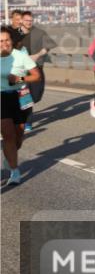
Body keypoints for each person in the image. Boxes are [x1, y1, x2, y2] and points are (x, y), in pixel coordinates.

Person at [1, 26, 42, 185]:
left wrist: (20, 79)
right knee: (8, 135)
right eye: (0, 41)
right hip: (1, 97)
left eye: (7, 40)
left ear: (12, 41)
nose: (4, 43)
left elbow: (36, 76)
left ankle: (9, 157)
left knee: (18, 136)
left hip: (20, 97)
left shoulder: (21, 56)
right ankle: (14, 172)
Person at [18, 11, 55, 133]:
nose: (29, 22)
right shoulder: (13, 34)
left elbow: (48, 45)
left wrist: (37, 55)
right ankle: (27, 121)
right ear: (21, 21)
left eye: (30, 20)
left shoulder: (39, 32)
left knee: (36, 95)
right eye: (26, 20)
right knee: (25, 96)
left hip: (36, 68)